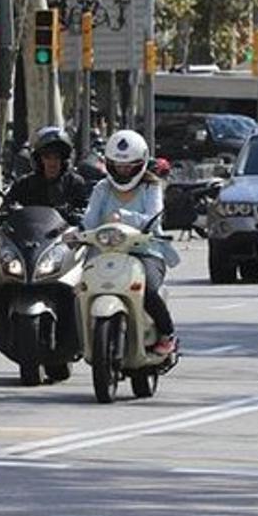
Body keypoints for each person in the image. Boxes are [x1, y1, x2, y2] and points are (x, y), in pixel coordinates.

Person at [81, 129, 180, 355]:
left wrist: (123, 216)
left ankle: (167, 333)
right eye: (118, 165)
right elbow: (90, 220)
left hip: (146, 251)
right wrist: (77, 233)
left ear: (141, 164)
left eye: (130, 166)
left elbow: (153, 220)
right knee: (80, 287)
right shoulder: (102, 188)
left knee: (149, 289)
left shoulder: (151, 187)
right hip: (106, 253)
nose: (123, 170)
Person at [1, 126, 92, 223]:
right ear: (39, 160)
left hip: (63, 236)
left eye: (57, 157)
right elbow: (5, 209)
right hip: (30, 236)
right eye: (47, 157)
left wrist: (73, 214)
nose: (52, 163)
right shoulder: (24, 183)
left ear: (64, 160)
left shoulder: (75, 183)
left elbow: (86, 213)